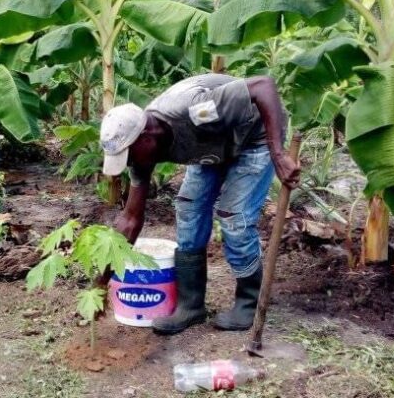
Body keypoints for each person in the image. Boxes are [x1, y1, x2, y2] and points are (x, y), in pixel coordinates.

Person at [100, 74, 299, 335]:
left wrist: (278, 154)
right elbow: (130, 220)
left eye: (127, 156)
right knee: (189, 208)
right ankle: (191, 306)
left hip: (254, 138)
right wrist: (100, 283)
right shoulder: (142, 153)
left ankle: (249, 304)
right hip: (212, 146)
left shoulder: (196, 110)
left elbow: (264, 85)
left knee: (233, 216)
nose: (128, 163)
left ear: (146, 138)